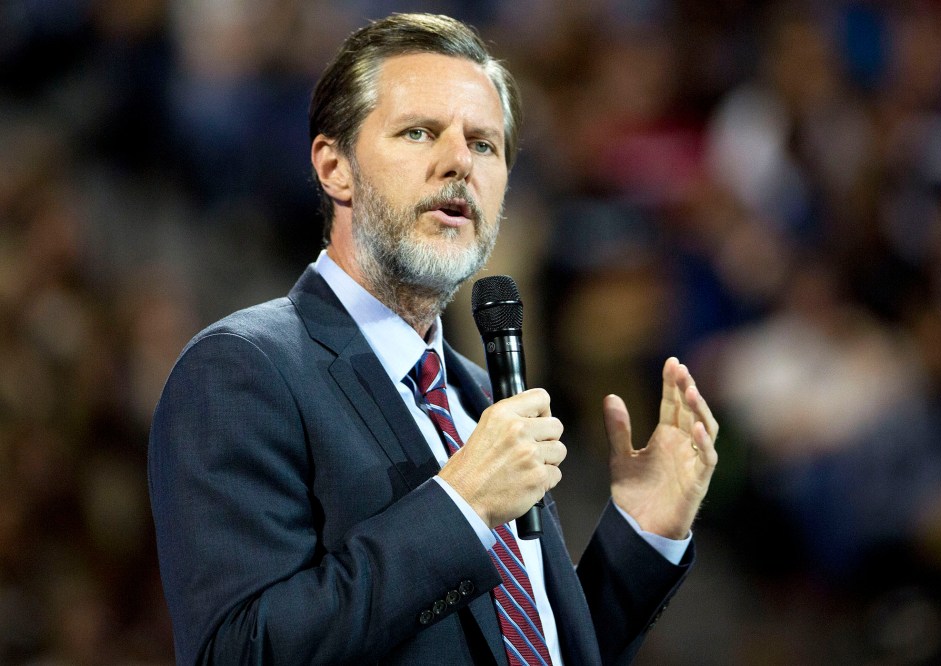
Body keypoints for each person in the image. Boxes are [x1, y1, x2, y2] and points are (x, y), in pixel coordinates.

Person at [148, 13, 719, 666]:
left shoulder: (479, 397)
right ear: (334, 166)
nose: (458, 162)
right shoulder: (244, 369)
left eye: (485, 144)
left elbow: (523, 646)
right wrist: (461, 505)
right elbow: (240, 652)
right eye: (420, 132)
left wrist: (643, 533)